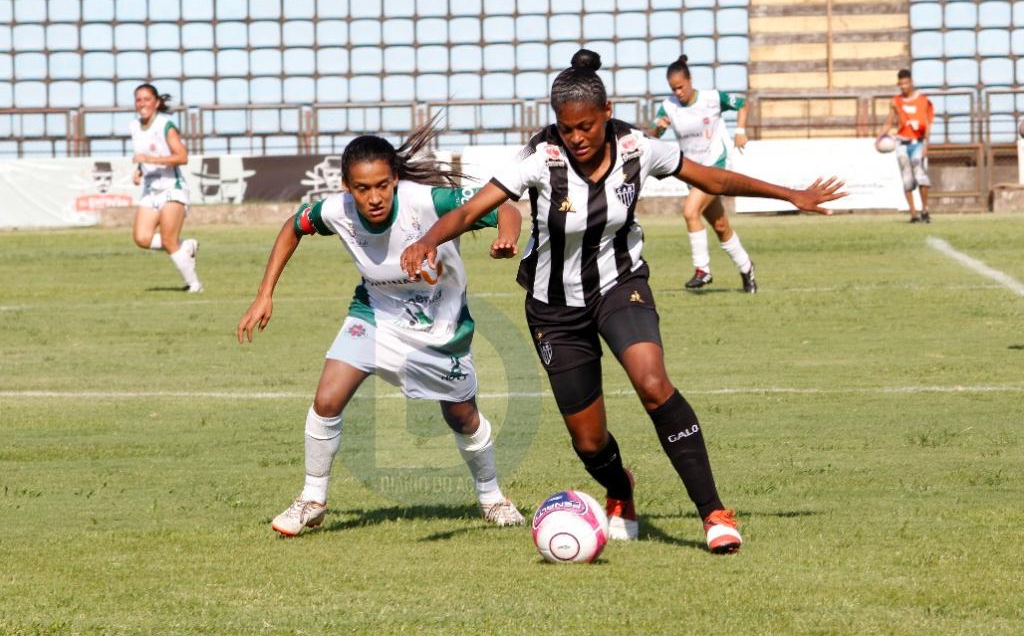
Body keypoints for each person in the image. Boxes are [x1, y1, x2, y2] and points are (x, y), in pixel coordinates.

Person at [400, 49, 845, 553]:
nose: (577, 137)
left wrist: (791, 194)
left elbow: (711, 179)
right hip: (554, 309)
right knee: (589, 441)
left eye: (586, 126)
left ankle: (714, 514)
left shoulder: (638, 148)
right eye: (567, 129)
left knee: (653, 384)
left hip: (620, 285)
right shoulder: (539, 158)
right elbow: (477, 207)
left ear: (606, 113)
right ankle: (619, 490)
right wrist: (428, 240)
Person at [236, 126, 526, 536]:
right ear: (346, 187)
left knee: (461, 416)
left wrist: (506, 238)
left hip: (440, 327)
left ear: (395, 179)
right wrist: (264, 294)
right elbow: (293, 226)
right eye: (362, 188)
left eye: (382, 185)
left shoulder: (426, 201)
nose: (373, 198)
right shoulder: (337, 211)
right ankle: (312, 499)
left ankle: (492, 496)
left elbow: (503, 209)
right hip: (374, 315)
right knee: (327, 398)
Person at [649, 54, 757, 292]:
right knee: (721, 227)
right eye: (673, 88)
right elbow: (651, 136)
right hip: (693, 173)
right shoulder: (668, 106)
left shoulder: (712, 98)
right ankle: (747, 267)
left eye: (681, 87)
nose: (678, 92)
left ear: (690, 81)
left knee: (690, 211)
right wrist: (659, 127)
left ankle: (703, 270)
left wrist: (740, 130)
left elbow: (741, 104)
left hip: (715, 165)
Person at [129, 83, 202, 293]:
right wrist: (140, 170)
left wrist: (148, 159)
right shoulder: (134, 125)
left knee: (169, 240)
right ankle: (185, 246)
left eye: (146, 99)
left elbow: (182, 156)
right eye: (138, 99)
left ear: (157, 102)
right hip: (150, 189)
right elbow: (142, 155)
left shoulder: (165, 124)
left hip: (172, 187)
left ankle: (194, 285)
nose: (142, 103)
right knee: (142, 239)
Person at [878, 69, 933, 223]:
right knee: (907, 178)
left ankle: (925, 209)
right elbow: (889, 121)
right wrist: (880, 137)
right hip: (902, 143)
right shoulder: (896, 101)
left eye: (906, 83)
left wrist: (926, 144)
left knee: (921, 176)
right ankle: (913, 213)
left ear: (911, 83)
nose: (903, 86)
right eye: (901, 84)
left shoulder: (923, 100)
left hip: (918, 142)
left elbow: (927, 124)